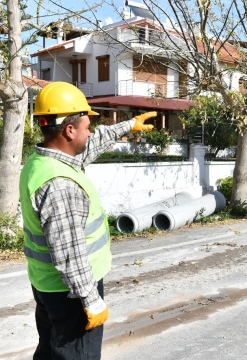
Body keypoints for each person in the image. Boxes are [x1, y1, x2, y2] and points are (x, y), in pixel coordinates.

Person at [19, 82, 155, 359]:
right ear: (69, 130)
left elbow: (92, 143)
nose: (90, 130)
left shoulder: (42, 161)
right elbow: (69, 254)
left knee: (50, 350)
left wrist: (128, 125)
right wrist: (91, 301)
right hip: (71, 292)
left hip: (48, 285)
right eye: (86, 125)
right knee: (75, 354)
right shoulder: (60, 183)